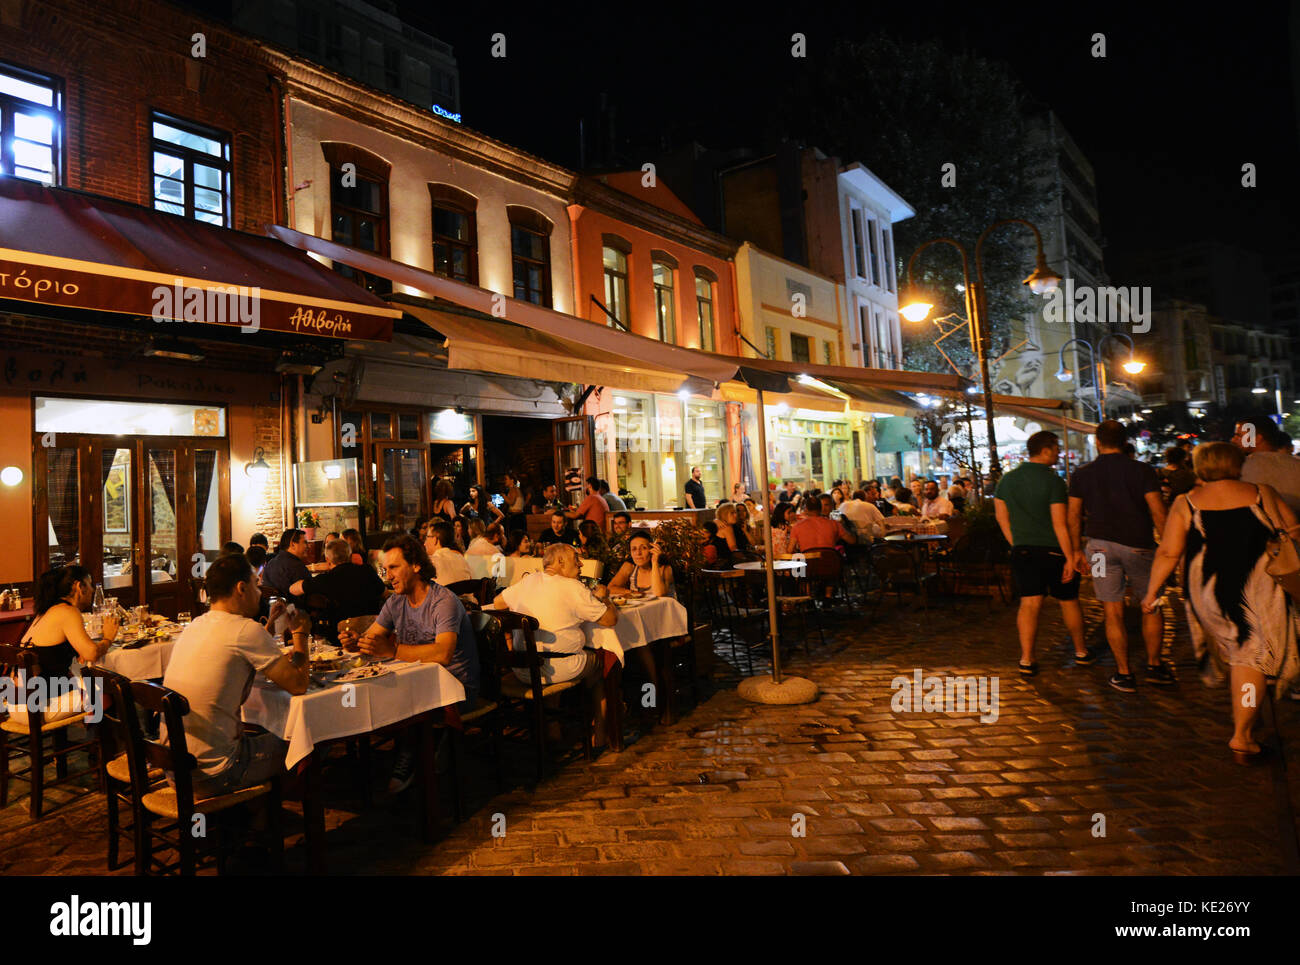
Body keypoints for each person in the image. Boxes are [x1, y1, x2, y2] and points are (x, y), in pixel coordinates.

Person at [1141, 443, 1300, 760]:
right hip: (1258, 589)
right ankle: (1242, 735)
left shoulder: (1187, 502)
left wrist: (1152, 592)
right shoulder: (1260, 492)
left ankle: (1247, 721)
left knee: (1242, 658)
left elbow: (1169, 552)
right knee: (1250, 661)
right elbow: (1292, 533)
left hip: (1207, 592)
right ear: (1235, 463)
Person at [162, 554, 310, 796]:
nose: (260, 591)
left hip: (176, 769)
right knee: (305, 741)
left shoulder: (195, 626)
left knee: (263, 731)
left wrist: (270, 623)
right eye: (255, 584)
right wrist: (301, 634)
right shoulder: (245, 630)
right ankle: (269, 819)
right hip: (216, 773)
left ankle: (255, 810)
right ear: (241, 588)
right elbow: (298, 685)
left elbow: (239, 649)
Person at [340, 535, 479, 791]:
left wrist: (392, 650)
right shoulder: (395, 601)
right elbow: (373, 638)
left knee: (396, 702)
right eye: (385, 569)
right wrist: (356, 643)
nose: (388, 576)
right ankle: (374, 767)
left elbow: (443, 653)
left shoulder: (443, 601)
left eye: (394, 568)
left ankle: (414, 751)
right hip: (416, 683)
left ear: (416, 565)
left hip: (455, 688)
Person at [1068, 420, 1170, 691]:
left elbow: (1074, 514)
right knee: (1152, 604)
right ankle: (1154, 665)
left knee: (1111, 609)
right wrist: (1171, 548)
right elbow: (1158, 512)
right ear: (1124, 442)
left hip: (1099, 548)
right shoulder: (1142, 470)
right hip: (1139, 546)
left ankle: (1124, 673)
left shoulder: (1081, 474)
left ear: (1097, 442)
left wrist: (1077, 550)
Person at [491, 542, 616, 747]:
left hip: (524, 669)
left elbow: (497, 604)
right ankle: (601, 730)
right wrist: (605, 599)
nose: (581, 564)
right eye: (576, 559)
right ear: (560, 561)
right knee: (603, 662)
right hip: (560, 669)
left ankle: (553, 726)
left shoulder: (528, 581)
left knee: (558, 654)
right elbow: (610, 620)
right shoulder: (573, 587)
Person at [993, 430, 1085, 677]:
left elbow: (1001, 516)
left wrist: (1016, 542)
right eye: (1056, 448)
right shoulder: (1053, 481)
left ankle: (1026, 657)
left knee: (1029, 603)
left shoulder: (1007, 480)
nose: (1058, 453)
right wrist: (1069, 556)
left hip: (1023, 550)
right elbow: (1059, 523)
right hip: (1053, 549)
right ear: (1045, 450)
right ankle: (1081, 651)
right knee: (1068, 600)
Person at [9, 565, 118, 725]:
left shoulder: (45, 612)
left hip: (15, 703)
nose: (93, 590)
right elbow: (91, 654)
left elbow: (53, 652)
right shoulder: (68, 612)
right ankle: (111, 747)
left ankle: (92, 744)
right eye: (90, 584)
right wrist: (108, 637)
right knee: (108, 690)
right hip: (37, 707)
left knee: (86, 684)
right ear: (79, 586)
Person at [288, 537, 388, 643]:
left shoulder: (326, 579)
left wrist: (326, 568)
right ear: (350, 556)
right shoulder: (367, 571)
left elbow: (292, 589)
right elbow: (385, 593)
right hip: (373, 635)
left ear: (327, 559)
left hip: (341, 639)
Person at [1241, 421, 1300, 516]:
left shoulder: (1240, 467)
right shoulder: (1296, 463)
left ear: (1257, 439)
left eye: (1239, 436)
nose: (1233, 439)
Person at [609, 531, 675, 598]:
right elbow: (610, 588)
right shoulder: (630, 566)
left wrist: (655, 562)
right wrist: (632, 593)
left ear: (652, 549)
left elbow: (659, 594)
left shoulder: (665, 568)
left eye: (644, 548)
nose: (638, 553)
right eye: (634, 549)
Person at [790, 496, 855, 552]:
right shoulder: (834, 524)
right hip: (831, 564)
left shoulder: (796, 527)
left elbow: (790, 550)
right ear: (820, 508)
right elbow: (852, 541)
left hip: (809, 564)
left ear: (806, 509)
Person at [261, 528, 310, 601]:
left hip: (272, 609)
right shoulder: (297, 566)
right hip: (293, 610)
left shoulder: (270, 563)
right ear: (293, 544)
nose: (308, 546)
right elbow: (309, 594)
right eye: (305, 542)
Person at [419, 520, 472, 586]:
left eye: (427, 537)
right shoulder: (462, 559)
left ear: (435, 540)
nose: (424, 543)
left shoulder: (431, 562)